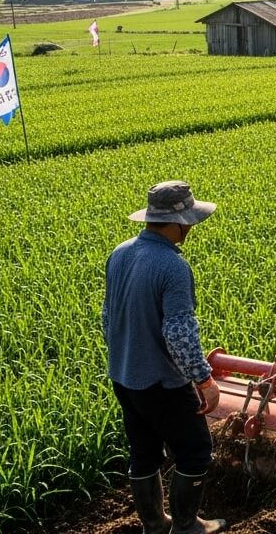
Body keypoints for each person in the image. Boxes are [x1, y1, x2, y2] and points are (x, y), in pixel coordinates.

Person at [103, 180, 226, 534]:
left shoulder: (120, 253)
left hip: (123, 376)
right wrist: (203, 379)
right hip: (162, 383)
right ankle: (187, 527)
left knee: (143, 452)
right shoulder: (172, 266)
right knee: (196, 451)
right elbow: (179, 333)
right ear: (177, 223)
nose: (191, 228)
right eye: (189, 221)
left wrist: (126, 357)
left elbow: (108, 318)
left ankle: (155, 526)